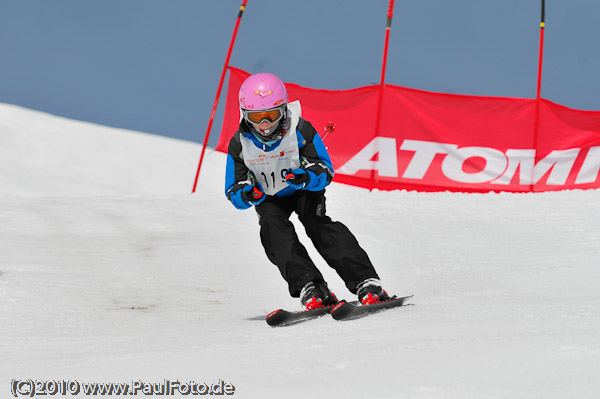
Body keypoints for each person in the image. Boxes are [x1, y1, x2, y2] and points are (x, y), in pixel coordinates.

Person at [225, 72, 390, 309]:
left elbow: (324, 169)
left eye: (271, 116)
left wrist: (306, 177)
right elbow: (233, 189)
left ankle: (365, 281)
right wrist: (248, 194)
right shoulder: (239, 143)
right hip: (269, 197)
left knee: (316, 223)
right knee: (272, 229)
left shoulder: (299, 128)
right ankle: (311, 285)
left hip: (302, 189)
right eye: (256, 118)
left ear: (283, 110)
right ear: (244, 115)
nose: (264, 125)